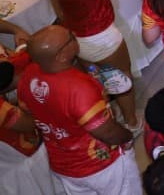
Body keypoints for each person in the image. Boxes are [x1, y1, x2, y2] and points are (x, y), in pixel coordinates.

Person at [18, 24, 141, 195]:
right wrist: (127, 137)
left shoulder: (28, 75)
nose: (74, 36)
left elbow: (30, 110)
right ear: (61, 56)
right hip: (101, 166)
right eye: (70, 38)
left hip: (63, 166)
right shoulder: (78, 88)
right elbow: (107, 133)